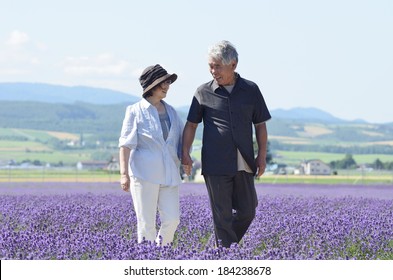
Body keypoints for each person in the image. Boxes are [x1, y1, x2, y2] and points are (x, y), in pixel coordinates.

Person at [182, 41, 271, 248]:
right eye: (210, 66)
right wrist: (185, 152)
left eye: (217, 66)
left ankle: (220, 249)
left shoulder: (251, 90)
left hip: (245, 162)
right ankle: (224, 256)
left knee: (248, 211)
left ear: (233, 64)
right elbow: (191, 125)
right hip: (216, 163)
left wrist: (262, 155)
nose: (213, 71)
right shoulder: (202, 92)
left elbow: (260, 125)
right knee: (221, 216)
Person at [119, 64, 183, 246]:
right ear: (150, 86)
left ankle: (160, 252)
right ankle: (147, 262)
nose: (166, 86)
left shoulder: (172, 112)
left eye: (168, 82)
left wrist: (186, 158)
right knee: (146, 224)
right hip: (144, 174)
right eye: (162, 82)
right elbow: (125, 144)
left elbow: (180, 141)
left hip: (170, 173)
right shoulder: (135, 111)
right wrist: (124, 174)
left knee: (172, 220)